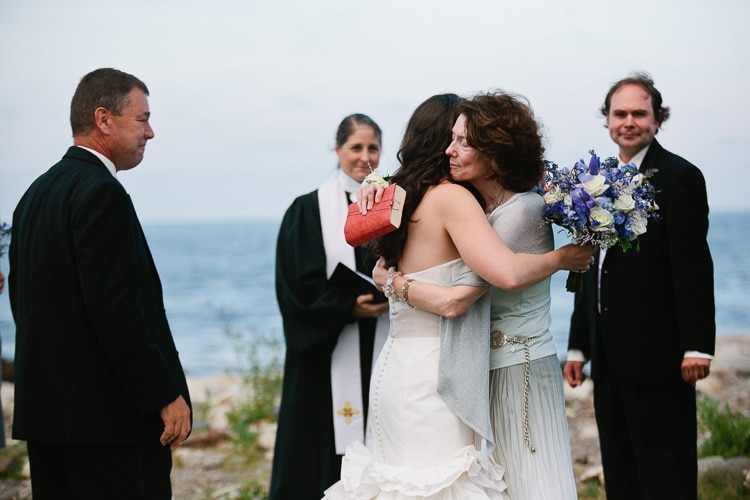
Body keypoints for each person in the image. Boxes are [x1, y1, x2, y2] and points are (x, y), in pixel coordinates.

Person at [324, 94, 592, 498]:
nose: (454, 148)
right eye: (453, 137)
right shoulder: (453, 198)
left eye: (464, 140)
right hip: (436, 369)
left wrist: (388, 280)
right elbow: (495, 278)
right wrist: (562, 257)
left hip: (395, 367)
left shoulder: (399, 196)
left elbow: (386, 267)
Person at [8, 68, 192, 499]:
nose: (151, 132)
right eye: (141, 119)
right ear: (103, 119)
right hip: (108, 426)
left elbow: (25, 304)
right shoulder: (100, 192)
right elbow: (118, 311)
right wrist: (163, 394)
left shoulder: (34, 195)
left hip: (50, 420)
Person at [563, 72, 715, 500]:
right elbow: (591, 266)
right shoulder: (596, 182)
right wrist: (579, 345)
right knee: (622, 475)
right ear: (607, 120)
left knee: (665, 476)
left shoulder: (680, 176)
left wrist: (697, 345)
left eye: (639, 113)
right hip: (608, 358)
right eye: (620, 113)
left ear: (657, 119)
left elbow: (693, 267)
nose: (629, 121)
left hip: (661, 358)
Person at [271, 114, 391, 499]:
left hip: (385, 342)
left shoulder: (395, 204)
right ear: (337, 149)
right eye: (356, 147)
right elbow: (296, 287)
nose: (364, 156)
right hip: (327, 349)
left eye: (372, 147)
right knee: (319, 454)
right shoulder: (307, 211)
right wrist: (345, 307)